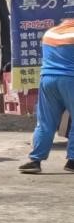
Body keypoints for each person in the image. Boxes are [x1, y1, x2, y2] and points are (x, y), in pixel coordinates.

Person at [19, 19, 74, 174]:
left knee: (45, 122)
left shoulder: (49, 34)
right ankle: (72, 161)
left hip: (48, 79)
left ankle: (35, 161)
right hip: (71, 79)